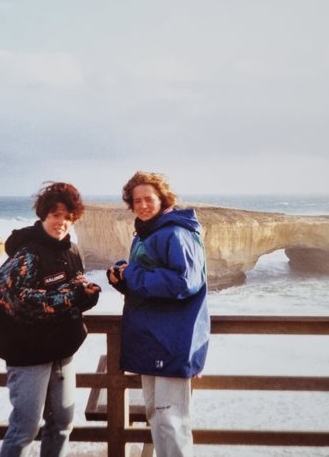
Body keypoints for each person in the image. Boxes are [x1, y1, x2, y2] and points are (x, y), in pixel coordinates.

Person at [0, 182, 101, 457]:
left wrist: (86, 294)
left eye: (67, 217)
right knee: (24, 428)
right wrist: (71, 294)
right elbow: (16, 298)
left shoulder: (71, 251)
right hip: (28, 354)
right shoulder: (28, 253)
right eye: (55, 215)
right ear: (43, 215)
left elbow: (72, 292)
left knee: (62, 424)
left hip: (62, 351)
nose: (61, 223)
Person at [106, 171, 210, 457]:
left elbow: (184, 283)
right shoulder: (146, 233)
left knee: (171, 422)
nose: (142, 205)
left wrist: (135, 273)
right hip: (152, 338)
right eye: (136, 200)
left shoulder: (176, 232)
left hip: (171, 340)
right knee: (157, 418)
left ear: (163, 199)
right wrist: (122, 278)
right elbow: (149, 284)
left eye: (148, 199)